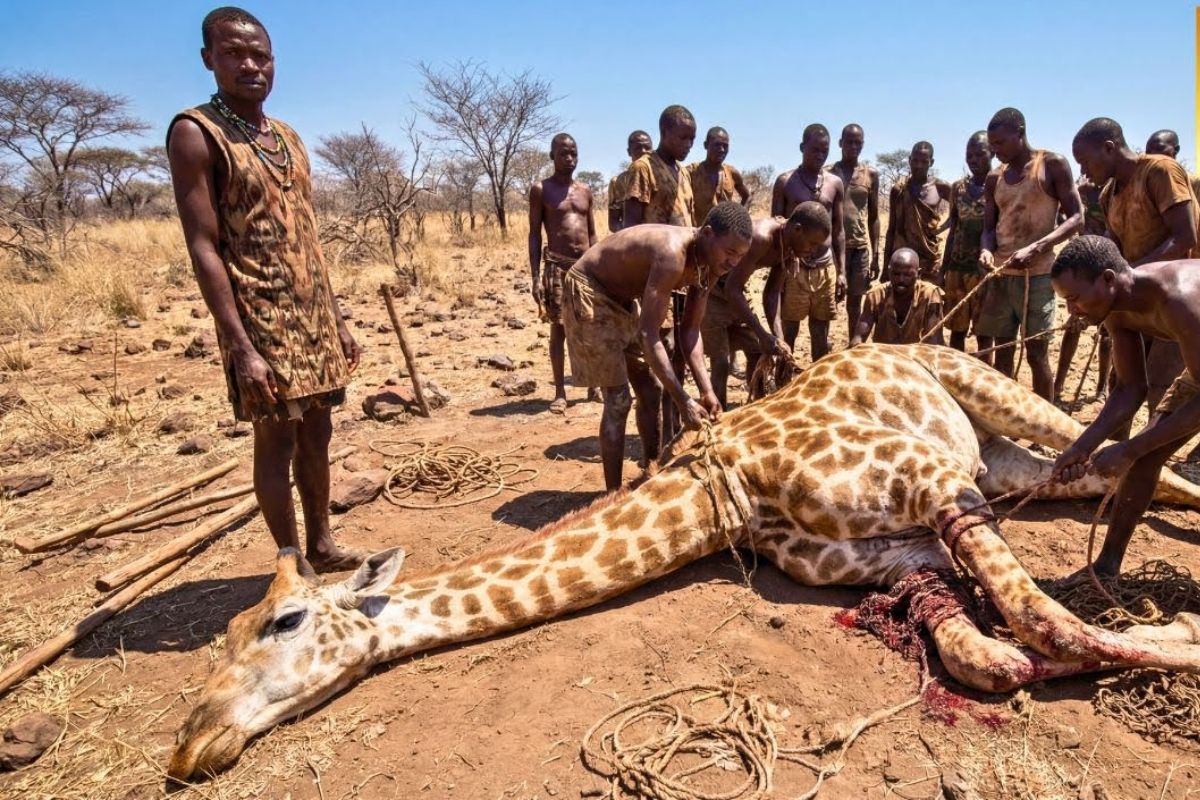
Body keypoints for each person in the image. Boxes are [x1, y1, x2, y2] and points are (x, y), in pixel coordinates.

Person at [167, 7, 364, 571]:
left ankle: (322, 545)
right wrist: (240, 345)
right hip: (258, 318)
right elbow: (203, 246)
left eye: (261, 55)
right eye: (234, 53)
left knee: (319, 435)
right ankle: (289, 560)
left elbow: (308, 237)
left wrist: (338, 320)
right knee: (275, 440)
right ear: (209, 59)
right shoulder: (196, 132)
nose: (250, 64)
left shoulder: (288, 138)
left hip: (313, 316)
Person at [561, 202, 753, 490]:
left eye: (740, 256)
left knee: (651, 389)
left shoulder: (711, 265)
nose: (733, 263)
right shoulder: (672, 253)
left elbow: (690, 331)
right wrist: (683, 401)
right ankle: (612, 497)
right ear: (709, 234)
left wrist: (706, 390)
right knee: (618, 399)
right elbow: (650, 334)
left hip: (623, 300)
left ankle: (650, 474)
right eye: (730, 253)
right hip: (591, 290)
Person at [1051, 236, 1200, 575]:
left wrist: (1130, 448)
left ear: (1107, 279)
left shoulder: (1179, 302)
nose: (1072, 310)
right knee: (1147, 455)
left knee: (1141, 450)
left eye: (1074, 299)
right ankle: (1107, 566)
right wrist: (1082, 447)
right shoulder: (1116, 311)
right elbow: (1130, 389)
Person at [1073, 117, 1198, 427]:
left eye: (1085, 162)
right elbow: (1112, 252)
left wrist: (1129, 275)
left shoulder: (1160, 171)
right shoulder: (1108, 194)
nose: (1083, 172)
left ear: (1109, 148)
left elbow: (1185, 238)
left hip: (1175, 301)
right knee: (1124, 382)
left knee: (1162, 388)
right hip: (1134, 301)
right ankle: (1115, 458)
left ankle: (1152, 464)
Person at [975, 107, 1082, 400]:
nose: (995, 152)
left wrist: (1037, 247)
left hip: (1038, 276)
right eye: (992, 145)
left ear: (1020, 133)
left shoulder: (1051, 165)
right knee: (1002, 352)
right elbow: (988, 228)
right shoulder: (994, 178)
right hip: (1001, 275)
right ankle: (1005, 417)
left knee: (1036, 353)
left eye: (1000, 143)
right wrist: (986, 250)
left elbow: (1076, 218)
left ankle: (1045, 424)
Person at [625, 105, 697, 444]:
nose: (688, 144)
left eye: (692, 138)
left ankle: (674, 435)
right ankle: (653, 449)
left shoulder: (681, 171)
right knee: (658, 357)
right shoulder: (644, 168)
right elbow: (632, 228)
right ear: (664, 132)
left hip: (681, 277)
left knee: (678, 358)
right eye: (683, 137)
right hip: (654, 279)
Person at [529, 133, 599, 414]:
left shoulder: (585, 191)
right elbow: (534, 234)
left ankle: (594, 383)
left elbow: (592, 232)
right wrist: (535, 276)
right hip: (556, 267)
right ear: (552, 156)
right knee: (559, 328)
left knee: (591, 325)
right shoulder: (541, 189)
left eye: (573, 153)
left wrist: (599, 267)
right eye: (563, 154)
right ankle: (560, 391)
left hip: (585, 267)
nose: (569, 159)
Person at [686, 126, 753, 408]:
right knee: (719, 357)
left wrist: (741, 216)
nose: (721, 150)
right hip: (706, 250)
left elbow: (745, 194)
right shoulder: (691, 173)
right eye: (716, 145)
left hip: (727, 251)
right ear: (705, 145)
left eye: (725, 145)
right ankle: (718, 406)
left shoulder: (731, 173)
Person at [771, 124, 846, 362]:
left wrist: (842, 271)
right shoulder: (785, 182)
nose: (820, 155)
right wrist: (780, 270)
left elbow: (839, 230)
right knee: (789, 330)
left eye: (824, 150)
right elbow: (776, 228)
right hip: (794, 268)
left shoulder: (835, 183)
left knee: (821, 333)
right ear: (802, 147)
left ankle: (817, 385)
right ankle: (785, 381)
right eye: (814, 149)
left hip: (825, 268)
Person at [723, 201, 833, 358]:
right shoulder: (762, 238)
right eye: (812, 243)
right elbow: (732, 288)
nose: (813, 250)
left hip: (733, 287)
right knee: (720, 360)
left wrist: (779, 337)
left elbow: (772, 292)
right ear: (797, 229)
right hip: (710, 286)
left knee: (756, 352)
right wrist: (762, 334)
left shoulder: (790, 246)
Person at [1054, 175, 1112, 400]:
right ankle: (1058, 385)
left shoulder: (1115, 189)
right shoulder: (1083, 190)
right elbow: (1066, 214)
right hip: (1081, 270)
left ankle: (1102, 388)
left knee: (1108, 333)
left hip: (1106, 268)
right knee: (1074, 325)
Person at [827, 124, 880, 340]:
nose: (853, 146)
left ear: (863, 145)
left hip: (859, 248)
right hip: (831, 248)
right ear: (840, 143)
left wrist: (876, 254)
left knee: (855, 302)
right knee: (827, 300)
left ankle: (853, 344)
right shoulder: (828, 174)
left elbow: (874, 216)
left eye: (858, 142)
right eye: (849, 141)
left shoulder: (870, 174)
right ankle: (826, 342)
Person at [941, 133, 992, 353]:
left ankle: (984, 382)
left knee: (984, 334)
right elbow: (953, 229)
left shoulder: (998, 186)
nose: (973, 160)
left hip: (984, 271)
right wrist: (944, 269)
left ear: (992, 154)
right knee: (956, 331)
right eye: (969, 155)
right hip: (957, 269)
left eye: (979, 154)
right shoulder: (958, 188)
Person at [884, 142, 951, 284]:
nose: (918, 165)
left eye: (924, 161)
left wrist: (942, 227)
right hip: (903, 258)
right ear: (909, 160)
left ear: (931, 162)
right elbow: (891, 229)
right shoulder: (899, 190)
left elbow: (960, 208)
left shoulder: (940, 187)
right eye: (915, 160)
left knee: (929, 299)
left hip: (929, 258)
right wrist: (885, 267)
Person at [850, 249, 945, 346]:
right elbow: (859, 337)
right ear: (889, 271)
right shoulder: (875, 295)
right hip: (884, 355)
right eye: (896, 274)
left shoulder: (931, 295)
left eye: (907, 275)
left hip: (917, 355)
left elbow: (934, 341)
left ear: (918, 274)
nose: (901, 280)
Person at [607, 130, 653, 233]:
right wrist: (629, 232)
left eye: (647, 148)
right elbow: (613, 222)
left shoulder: (660, 177)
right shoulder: (617, 182)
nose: (643, 151)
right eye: (638, 148)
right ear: (629, 152)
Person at [1145, 129, 1200, 201]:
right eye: (1148, 151)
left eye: (1159, 148)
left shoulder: (1195, 183)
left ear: (1176, 150)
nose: (1152, 154)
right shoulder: (1144, 183)